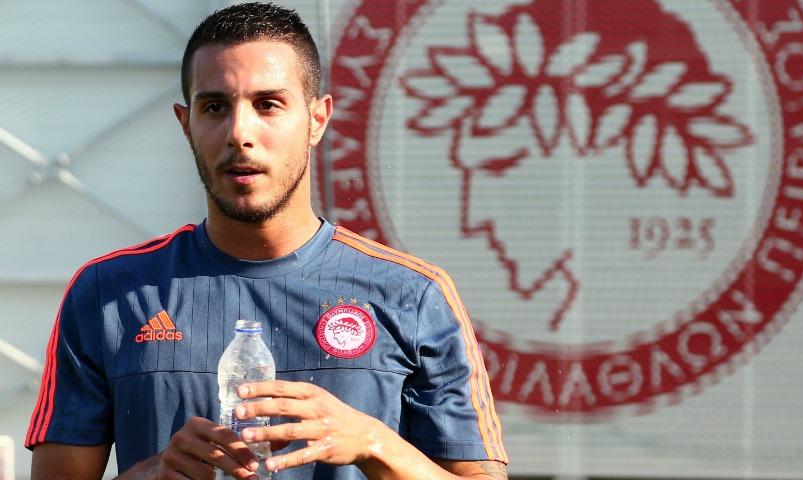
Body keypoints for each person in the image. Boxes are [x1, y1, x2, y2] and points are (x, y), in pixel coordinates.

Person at [26, 3, 508, 479]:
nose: (239, 133)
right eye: (215, 107)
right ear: (185, 124)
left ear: (317, 119)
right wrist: (154, 474)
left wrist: (373, 443)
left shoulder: (415, 295)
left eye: (268, 105)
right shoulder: (109, 293)